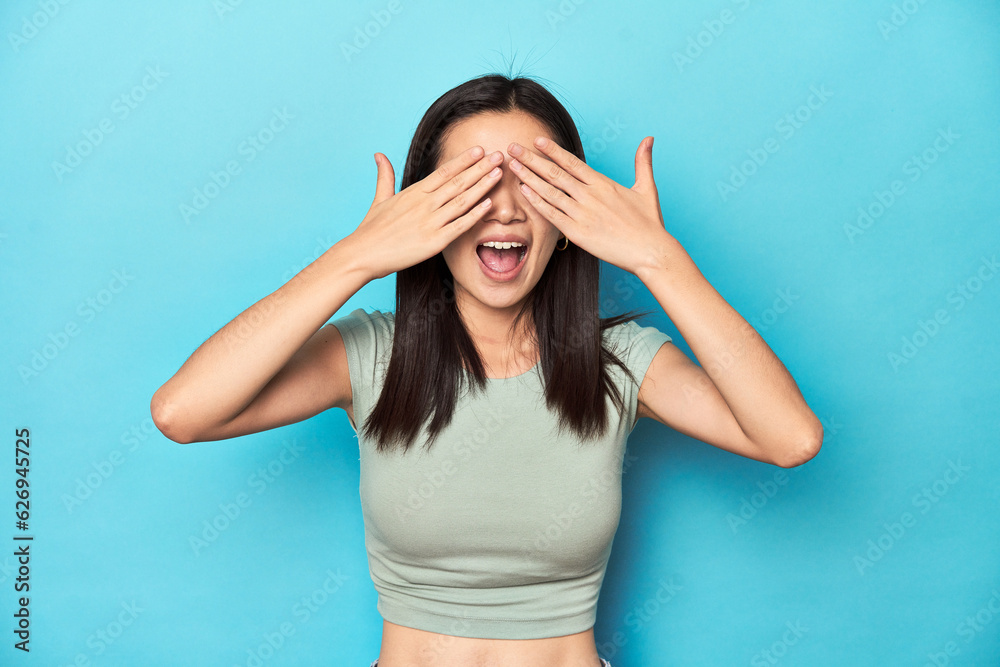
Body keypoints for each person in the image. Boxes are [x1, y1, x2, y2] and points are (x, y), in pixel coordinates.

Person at [151, 74, 823, 667]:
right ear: (427, 217)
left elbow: (790, 437)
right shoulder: (367, 356)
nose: (503, 208)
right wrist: (355, 257)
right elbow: (182, 412)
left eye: (533, 183)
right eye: (473, 185)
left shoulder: (620, 363)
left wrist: (659, 259)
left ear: (569, 222)